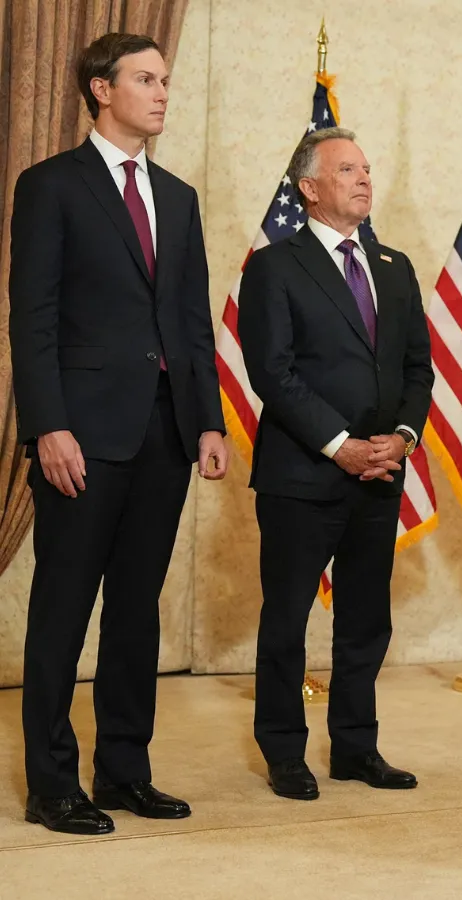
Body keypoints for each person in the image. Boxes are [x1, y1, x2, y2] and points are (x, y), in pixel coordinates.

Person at [8, 32, 228, 835]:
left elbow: (192, 322)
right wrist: (48, 427)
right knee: (63, 611)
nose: (163, 92)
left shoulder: (178, 196)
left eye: (166, 79)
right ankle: (52, 786)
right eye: (145, 78)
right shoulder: (51, 186)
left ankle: (125, 771)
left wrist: (207, 419)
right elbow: (29, 322)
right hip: (83, 434)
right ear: (102, 90)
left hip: (165, 434)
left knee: (137, 611)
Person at [238, 127, 434, 801]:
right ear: (310, 188)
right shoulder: (274, 266)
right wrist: (339, 445)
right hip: (303, 475)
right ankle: (285, 753)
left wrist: (402, 436)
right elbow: (272, 370)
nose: (363, 178)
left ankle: (355, 748)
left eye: (367, 169)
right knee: (288, 618)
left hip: (380, 474)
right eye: (347, 169)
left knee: (364, 620)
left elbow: (417, 368)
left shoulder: (394, 265)